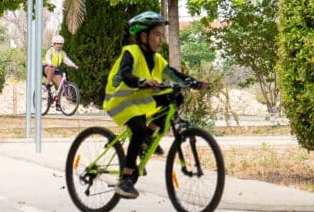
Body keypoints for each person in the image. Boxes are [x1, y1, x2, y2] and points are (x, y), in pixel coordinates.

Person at [103, 11, 209, 200]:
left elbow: (174, 75)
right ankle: (125, 179)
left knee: (175, 98)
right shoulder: (131, 52)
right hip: (120, 100)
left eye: (162, 35)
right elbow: (126, 75)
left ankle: (148, 137)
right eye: (157, 34)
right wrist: (142, 81)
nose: (161, 40)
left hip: (139, 98)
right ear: (144, 36)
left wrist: (195, 83)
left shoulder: (157, 59)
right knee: (138, 130)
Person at [42, 34, 79, 98]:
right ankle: (47, 85)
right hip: (46, 68)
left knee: (61, 87)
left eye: (61, 44)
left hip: (56, 70)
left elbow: (66, 60)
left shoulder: (62, 53)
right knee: (52, 68)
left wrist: (74, 65)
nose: (59, 45)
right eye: (58, 44)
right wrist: (50, 63)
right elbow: (47, 59)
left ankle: (57, 102)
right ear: (54, 44)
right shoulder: (50, 51)